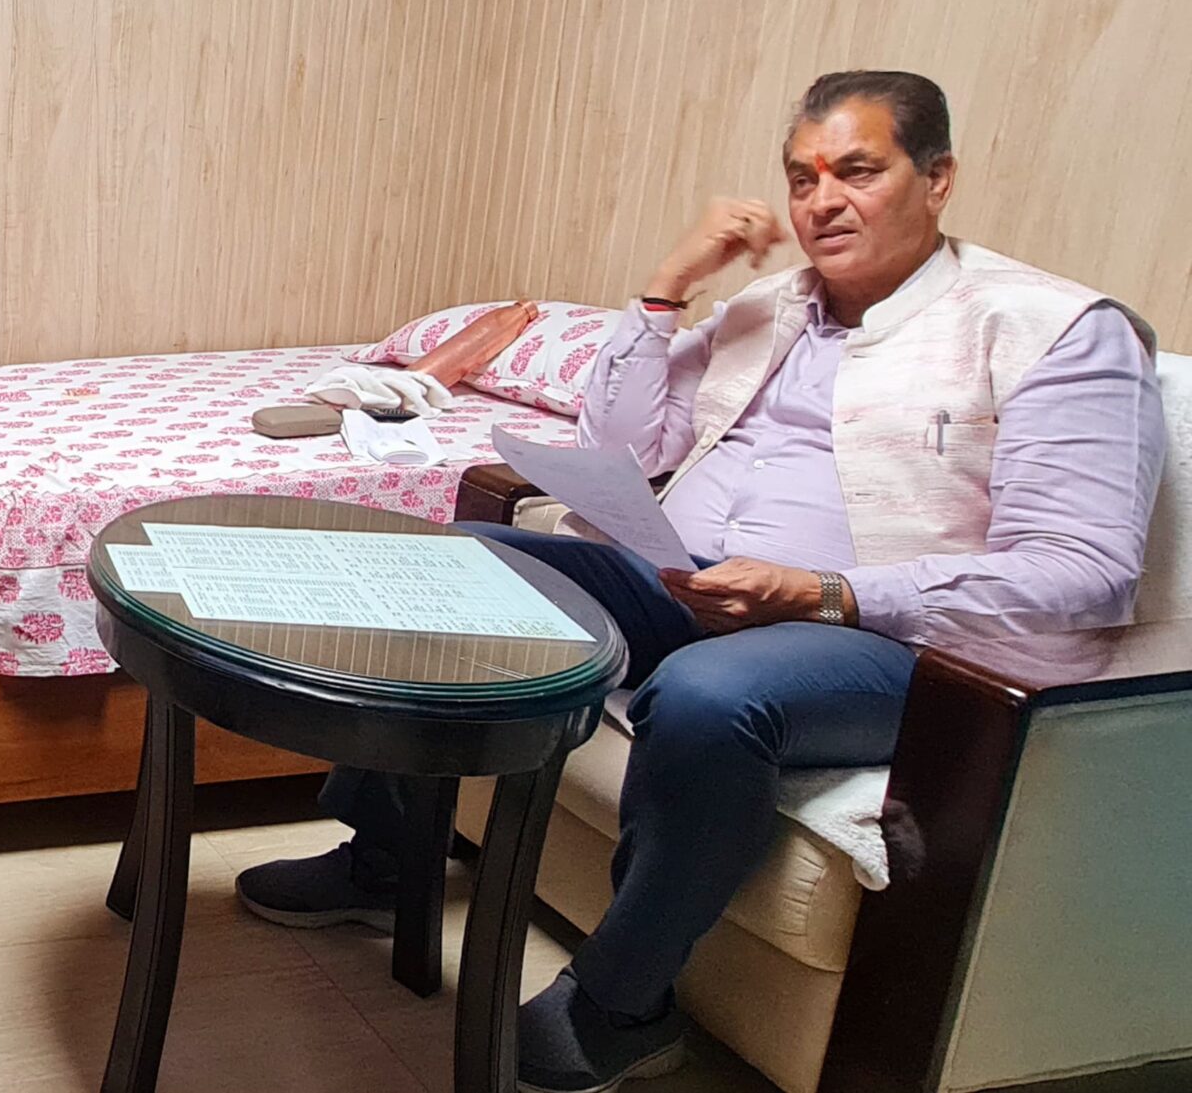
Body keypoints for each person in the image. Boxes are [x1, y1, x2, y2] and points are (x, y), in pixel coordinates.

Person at [235, 71, 1162, 1093]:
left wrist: (818, 591)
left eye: (858, 172)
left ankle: (619, 1005)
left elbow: (1081, 573)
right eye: (802, 178)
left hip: (892, 640)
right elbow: (623, 447)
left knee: (709, 695)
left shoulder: (1052, 329)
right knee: (447, 564)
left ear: (937, 178)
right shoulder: (774, 305)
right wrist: (665, 290)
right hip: (691, 583)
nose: (823, 201)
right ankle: (385, 855)